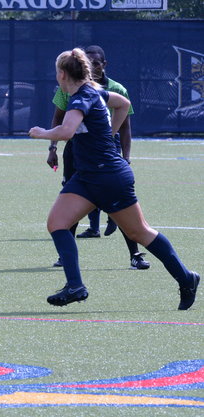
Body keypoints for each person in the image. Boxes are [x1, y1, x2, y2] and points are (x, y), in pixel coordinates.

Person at [29, 48, 198, 310]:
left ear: (62, 74)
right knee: (57, 223)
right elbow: (123, 104)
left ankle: (186, 278)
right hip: (87, 176)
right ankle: (75, 286)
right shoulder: (93, 91)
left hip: (108, 176)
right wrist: (110, 132)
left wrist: (41, 133)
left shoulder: (82, 97)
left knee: (139, 231)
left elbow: (67, 130)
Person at [46, 45, 150, 271]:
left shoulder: (115, 89)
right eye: (88, 62)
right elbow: (58, 118)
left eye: (96, 63)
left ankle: (135, 254)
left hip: (105, 151)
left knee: (122, 208)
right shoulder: (67, 88)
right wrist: (52, 148)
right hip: (77, 149)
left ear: (104, 65)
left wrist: (125, 156)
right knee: (69, 198)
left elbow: (125, 125)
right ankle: (67, 256)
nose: (92, 66)